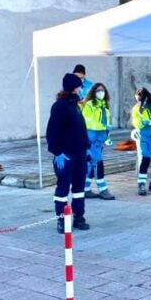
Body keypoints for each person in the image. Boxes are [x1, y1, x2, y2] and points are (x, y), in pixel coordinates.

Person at [47, 73, 91, 233]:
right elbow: (52, 131)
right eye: (80, 86)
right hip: (65, 155)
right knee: (63, 188)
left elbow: (81, 130)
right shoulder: (60, 106)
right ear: (73, 88)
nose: (82, 89)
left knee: (79, 188)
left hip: (79, 154)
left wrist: (86, 149)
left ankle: (79, 216)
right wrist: (57, 152)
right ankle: (61, 218)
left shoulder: (75, 106)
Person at [81, 83, 115, 200]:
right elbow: (87, 122)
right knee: (98, 163)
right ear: (94, 92)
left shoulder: (104, 106)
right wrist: (103, 126)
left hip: (99, 139)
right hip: (91, 139)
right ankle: (103, 189)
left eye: (103, 90)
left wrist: (107, 134)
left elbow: (105, 123)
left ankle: (85, 189)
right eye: (98, 90)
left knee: (90, 164)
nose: (101, 93)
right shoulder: (89, 105)